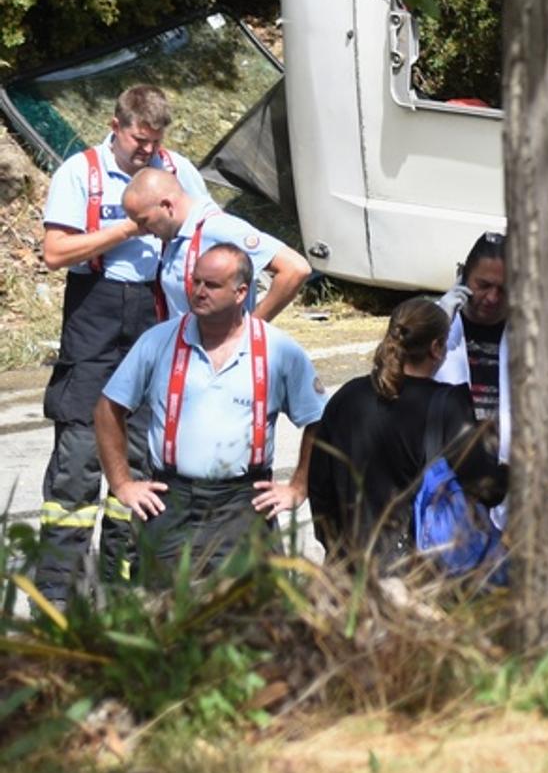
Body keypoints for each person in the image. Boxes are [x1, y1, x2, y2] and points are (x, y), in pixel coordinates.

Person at [31, 84, 219, 604]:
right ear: (116, 127)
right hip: (95, 315)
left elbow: (211, 228)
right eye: (140, 141)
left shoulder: (176, 171)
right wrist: (127, 230)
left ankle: (124, 593)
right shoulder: (80, 173)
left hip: (155, 315)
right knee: (77, 461)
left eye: (156, 142)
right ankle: (59, 597)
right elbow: (55, 253)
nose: (148, 151)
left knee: (141, 460)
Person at [96, 242, 326, 581]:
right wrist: (122, 483)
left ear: (241, 292)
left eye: (212, 285)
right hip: (171, 500)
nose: (199, 292)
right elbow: (107, 409)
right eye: (196, 281)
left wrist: (298, 487)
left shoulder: (278, 349)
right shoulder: (158, 341)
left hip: (244, 503)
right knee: (162, 607)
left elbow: (319, 420)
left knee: (248, 607)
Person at [306, 298, 508, 565]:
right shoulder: (448, 405)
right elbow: (486, 487)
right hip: (416, 569)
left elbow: (319, 485)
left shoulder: (348, 396)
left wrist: (333, 545)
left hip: (351, 564)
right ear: (436, 348)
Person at [124, 168, 311, 323]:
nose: (141, 230)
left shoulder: (219, 228)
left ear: (167, 206)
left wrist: (252, 330)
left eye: (144, 221)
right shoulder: (176, 236)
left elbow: (295, 268)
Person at [433, 232, 510, 450]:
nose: (493, 298)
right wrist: (436, 326)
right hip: (447, 460)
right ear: (463, 277)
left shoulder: (526, 333)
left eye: (503, 289)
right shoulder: (433, 324)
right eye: (483, 285)